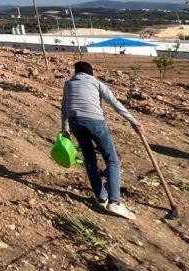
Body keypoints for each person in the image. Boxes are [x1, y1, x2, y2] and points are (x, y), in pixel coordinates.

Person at [61, 61, 144, 220]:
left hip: (75, 123)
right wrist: (134, 122)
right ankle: (115, 201)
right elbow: (115, 104)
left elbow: (64, 107)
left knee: (90, 160)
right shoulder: (96, 82)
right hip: (95, 122)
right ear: (91, 72)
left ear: (75, 72)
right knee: (111, 159)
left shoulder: (68, 83)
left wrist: (65, 128)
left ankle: (101, 198)